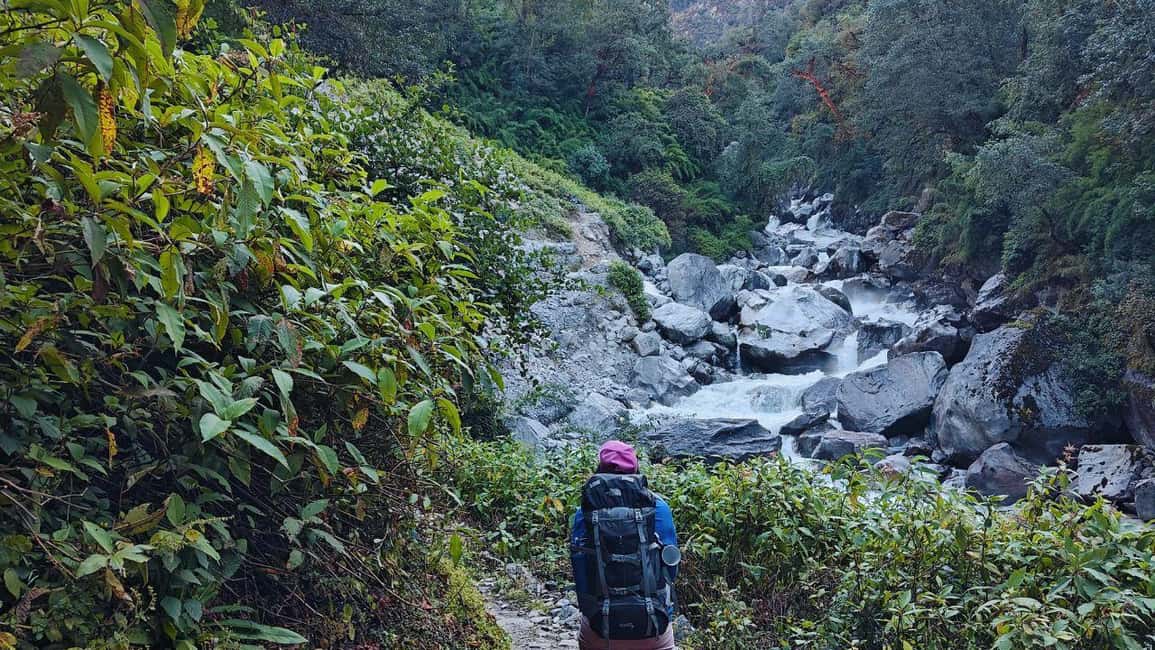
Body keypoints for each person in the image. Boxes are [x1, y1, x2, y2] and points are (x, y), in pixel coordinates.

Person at [570, 441, 678, 650]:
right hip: (653, 628)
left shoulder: (584, 513)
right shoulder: (659, 507)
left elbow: (580, 571)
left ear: (599, 468)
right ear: (636, 468)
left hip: (601, 629)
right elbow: (671, 569)